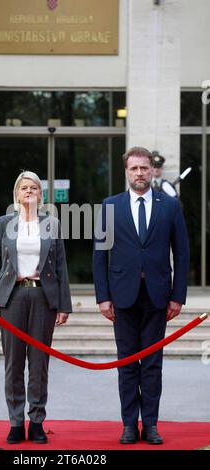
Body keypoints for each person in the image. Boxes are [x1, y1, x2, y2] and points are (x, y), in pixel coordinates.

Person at [93, 146, 189, 445]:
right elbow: (99, 256)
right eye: (134, 169)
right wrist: (102, 297)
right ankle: (128, 426)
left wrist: (178, 295)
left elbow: (182, 253)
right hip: (122, 297)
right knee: (126, 363)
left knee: (152, 364)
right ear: (126, 171)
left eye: (144, 168)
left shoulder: (170, 206)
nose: (139, 173)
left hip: (158, 297)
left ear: (152, 170)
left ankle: (150, 425)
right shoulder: (110, 206)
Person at [0, 171, 72, 445]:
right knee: (13, 365)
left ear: (41, 194)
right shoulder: (3, 223)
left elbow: (60, 268)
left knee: (39, 364)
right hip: (12, 298)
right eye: (24, 187)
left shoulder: (51, 224)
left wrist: (63, 305)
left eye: (34, 187)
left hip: (43, 299)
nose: (29, 191)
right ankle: (15, 422)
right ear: (17, 193)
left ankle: (36, 422)